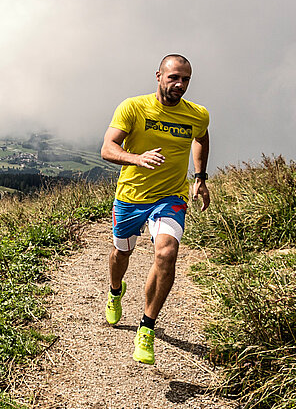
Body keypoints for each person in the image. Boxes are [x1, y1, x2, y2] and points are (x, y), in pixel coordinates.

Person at [100, 54, 210, 364]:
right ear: (158, 76)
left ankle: (146, 327)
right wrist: (136, 158)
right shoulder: (133, 107)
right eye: (174, 77)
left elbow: (200, 137)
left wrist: (200, 176)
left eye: (185, 79)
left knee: (166, 252)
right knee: (122, 253)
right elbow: (107, 148)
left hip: (169, 197)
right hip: (131, 196)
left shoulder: (197, 114)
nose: (180, 84)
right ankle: (115, 290)